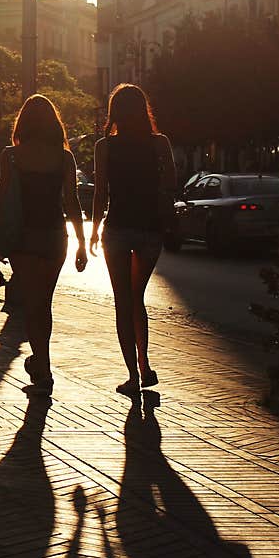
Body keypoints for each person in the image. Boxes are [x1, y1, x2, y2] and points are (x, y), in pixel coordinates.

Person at [0, 94, 88, 397]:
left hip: (23, 237)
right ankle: (41, 362)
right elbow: (72, 202)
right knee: (44, 305)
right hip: (53, 237)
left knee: (32, 306)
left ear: (23, 123)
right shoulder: (64, 158)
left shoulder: (10, 156)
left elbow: (3, 201)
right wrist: (81, 244)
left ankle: (43, 366)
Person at [90, 84, 176, 396]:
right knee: (136, 297)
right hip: (150, 229)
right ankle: (144, 364)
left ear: (114, 112)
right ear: (143, 109)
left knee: (122, 302)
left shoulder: (105, 147)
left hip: (117, 229)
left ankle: (132, 375)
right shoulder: (159, 143)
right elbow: (172, 182)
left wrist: (93, 231)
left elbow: (100, 193)